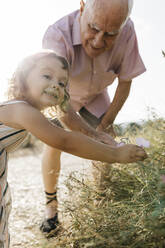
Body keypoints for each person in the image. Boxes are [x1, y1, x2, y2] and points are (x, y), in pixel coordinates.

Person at [0, 50, 147, 247]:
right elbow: (64, 140)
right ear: (23, 77)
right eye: (46, 76)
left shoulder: (23, 111)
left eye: (62, 83)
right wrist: (115, 154)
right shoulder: (22, 110)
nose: (55, 84)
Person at [41, 0, 146, 234]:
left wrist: (104, 126)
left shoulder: (128, 31)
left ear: (124, 24)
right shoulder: (57, 36)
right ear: (82, 7)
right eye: (94, 28)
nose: (99, 42)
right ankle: (51, 209)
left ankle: (100, 202)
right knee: (53, 142)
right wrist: (91, 134)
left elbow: (125, 82)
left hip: (96, 93)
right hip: (62, 95)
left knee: (108, 135)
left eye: (110, 34)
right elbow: (59, 101)